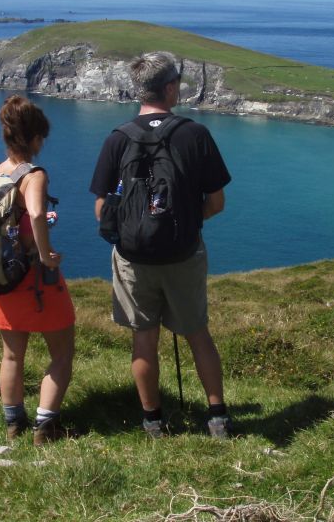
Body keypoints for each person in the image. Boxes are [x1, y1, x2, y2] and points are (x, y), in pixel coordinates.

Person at [90, 52, 233, 438]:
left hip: (133, 258)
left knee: (144, 338)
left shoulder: (118, 138)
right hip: (184, 252)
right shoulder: (194, 134)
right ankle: (217, 416)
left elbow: (102, 207)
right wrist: (185, 219)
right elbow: (216, 203)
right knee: (198, 333)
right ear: (169, 88)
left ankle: (153, 420)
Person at [0, 95, 76, 446]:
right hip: (34, 278)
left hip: (0, 279)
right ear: (34, 138)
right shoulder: (33, 174)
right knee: (62, 352)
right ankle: (44, 427)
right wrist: (46, 252)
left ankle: (13, 425)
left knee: (11, 354)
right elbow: (36, 214)